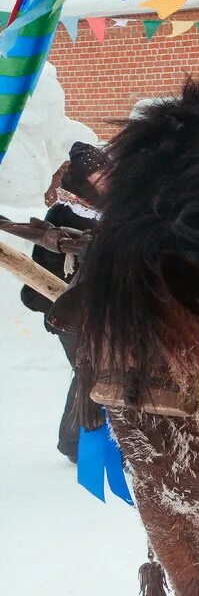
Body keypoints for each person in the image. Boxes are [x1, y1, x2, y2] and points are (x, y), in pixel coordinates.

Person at [19, 142, 109, 463]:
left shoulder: (113, 210)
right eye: (99, 175)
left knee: (98, 370)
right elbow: (42, 266)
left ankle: (88, 439)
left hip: (103, 309)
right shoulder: (63, 211)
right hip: (68, 308)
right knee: (89, 370)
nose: (105, 180)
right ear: (84, 177)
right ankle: (74, 442)